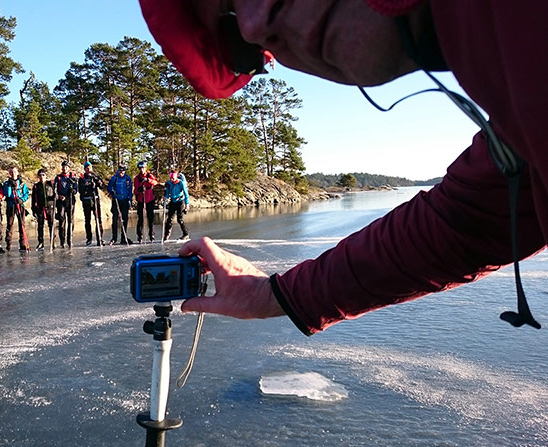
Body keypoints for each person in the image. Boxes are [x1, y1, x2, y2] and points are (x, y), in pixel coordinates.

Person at [139, 1, 548, 333]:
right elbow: (467, 222)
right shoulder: (517, 85)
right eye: (237, 43)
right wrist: (272, 295)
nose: (257, 23)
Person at [78, 161, 105, 246]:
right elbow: (81, 190)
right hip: (86, 201)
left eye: (90, 167)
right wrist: (87, 186)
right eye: (87, 168)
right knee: (87, 220)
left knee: (98, 219)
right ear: (85, 169)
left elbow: (102, 186)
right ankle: (89, 238)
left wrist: (97, 181)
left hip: (95, 200)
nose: (88, 169)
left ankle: (100, 238)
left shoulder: (95, 176)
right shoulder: (82, 178)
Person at [4, 167, 30, 252]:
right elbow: (7, 194)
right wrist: (9, 186)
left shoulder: (22, 184)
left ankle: (23, 244)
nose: (13, 173)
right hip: (11, 205)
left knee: (21, 224)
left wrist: (22, 199)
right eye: (11, 172)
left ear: (17, 172)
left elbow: (26, 193)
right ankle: (8, 244)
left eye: (14, 172)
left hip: (20, 205)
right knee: (9, 225)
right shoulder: (6, 183)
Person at [53, 161, 78, 248]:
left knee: (71, 220)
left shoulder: (73, 177)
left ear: (69, 168)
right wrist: (59, 196)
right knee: (61, 220)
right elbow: (54, 190)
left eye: (66, 167)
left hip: (70, 200)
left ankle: (70, 239)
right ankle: (62, 240)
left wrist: (72, 191)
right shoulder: (58, 177)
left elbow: (76, 189)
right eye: (63, 167)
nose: (64, 168)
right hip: (61, 201)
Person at [134, 161, 159, 243]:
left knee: (150, 218)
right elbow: (135, 191)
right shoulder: (137, 178)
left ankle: (151, 234)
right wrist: (139, 190)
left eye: (143, 168)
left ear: (145, 168)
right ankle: (139, 235)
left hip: (150, 199)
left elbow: (155, 182)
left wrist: (148, 180)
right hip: (141, 200)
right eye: (140, 168)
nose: (142, 170)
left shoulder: (149, 175)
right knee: (140, 218)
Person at [107, 165, 133, 245]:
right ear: (118, 171)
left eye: (123, 171)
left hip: (124, 200)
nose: (121, 172)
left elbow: (130, 190)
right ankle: (114, 238)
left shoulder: (128, 178)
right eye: (120, 171)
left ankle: (123, 237)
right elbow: (109, 187)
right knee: (115, 219)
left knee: (124, 219)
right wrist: (112, 192)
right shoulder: (114, 178)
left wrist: (130, 199)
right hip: (116, 200)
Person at [31, 168, 56, 250]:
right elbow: (33, 199)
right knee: (40, 226)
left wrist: (56, 197)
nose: (42, 177)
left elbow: (56, 195)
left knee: (51, 225)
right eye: (40, 175)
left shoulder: (50, 184)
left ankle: (53, 241)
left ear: (46, 175)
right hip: (40, 208)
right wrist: (33, 209)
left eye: (43, 175)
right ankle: (41, 242)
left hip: (50, 207)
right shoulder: (36, 186)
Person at [163, 168, 190, 241]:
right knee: (169, 219)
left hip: (180, 201)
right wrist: (166, 197)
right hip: (173, 201)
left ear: (176, 177)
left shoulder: (181, 183)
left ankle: (186, 234)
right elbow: (168, 192)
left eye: (173, 178)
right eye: (171, 178)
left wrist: (187, 204)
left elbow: (186, 194)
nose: (172, 179)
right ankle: (166, 235)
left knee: (179, 219)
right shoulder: (169, 183)